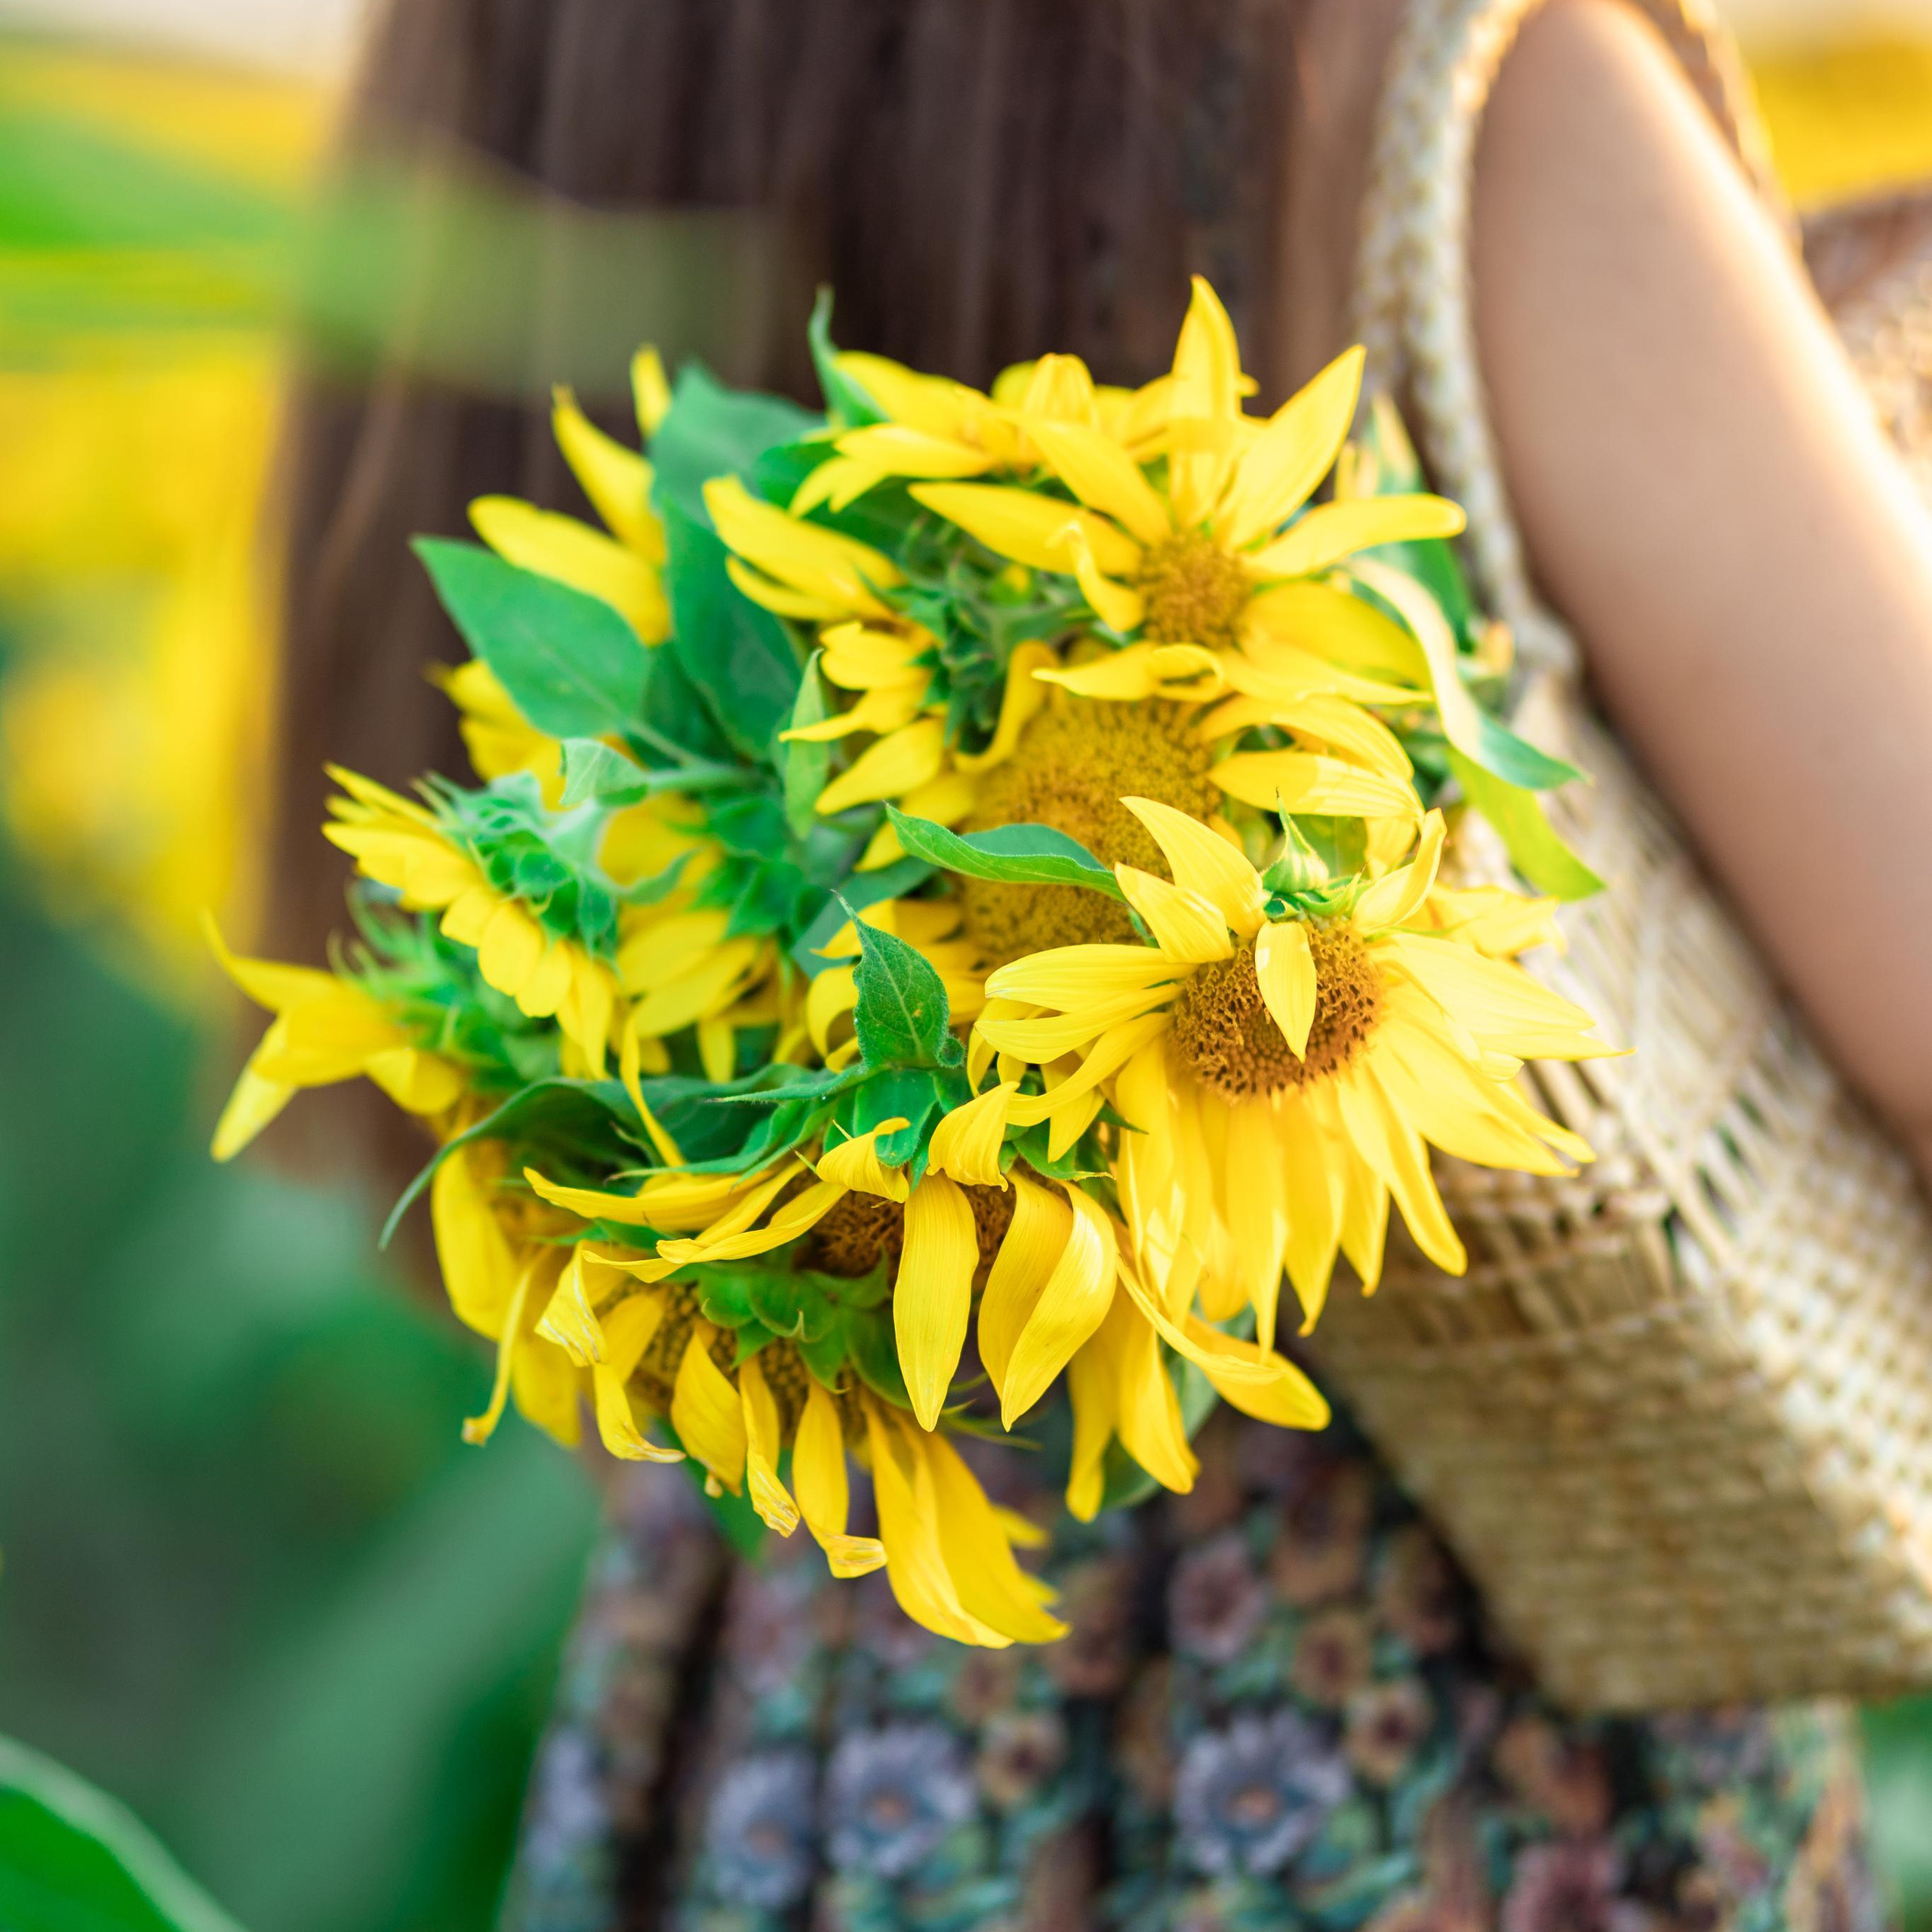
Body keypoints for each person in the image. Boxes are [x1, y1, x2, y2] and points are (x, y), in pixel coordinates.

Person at [270, 2, 1921, 1924]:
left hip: (820, 1720)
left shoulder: (555, 54)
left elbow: (487, 1052)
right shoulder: (1441, 84)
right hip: (1442, 1748)